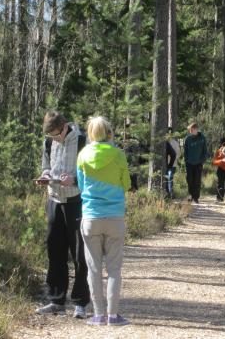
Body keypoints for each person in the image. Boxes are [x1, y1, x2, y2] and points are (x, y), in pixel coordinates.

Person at [35, 111, 90, 318]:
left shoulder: (83, 140)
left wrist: (74, 180)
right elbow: (46, 166)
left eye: (57, 134)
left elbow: (91, 172)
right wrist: (45, 175)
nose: (55, 139)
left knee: (79, 253)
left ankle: (80, 302)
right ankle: (56, 300)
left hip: (76, 201)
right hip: (54, 200)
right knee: (54, 250)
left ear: (65, 126)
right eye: (51, 136)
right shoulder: (49, 142)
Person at [77, 116, 131, 326]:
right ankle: (113, 316)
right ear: (109, 133)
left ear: (90, 133)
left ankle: (98, 315)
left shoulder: (83, 155)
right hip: (115, 216)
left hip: (91, 216)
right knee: (114, 269)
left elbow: (81, 186)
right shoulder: (118, 154)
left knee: (94, 269)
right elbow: (126, 183)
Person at [184, 123, 207, 203]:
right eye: (190, 130)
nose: (190, 131)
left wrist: (203, 159)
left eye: (192, 130)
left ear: (196, 129)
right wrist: (186, 161)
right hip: (189, 163)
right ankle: (190, 195)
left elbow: (205, 150)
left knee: (197, 180)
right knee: (189, 180)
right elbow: (185, 151)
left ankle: (196, 197)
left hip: (198, 163)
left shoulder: (202, 138)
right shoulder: (187, 139)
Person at [166, 127, 181, 199]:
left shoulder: (175, 143)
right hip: (165, 164)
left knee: (169, 177)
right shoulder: (163, 142)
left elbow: (178, 154)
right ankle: (167, 193)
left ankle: (171, 193)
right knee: (166, 178)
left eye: (169, 133)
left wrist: (173, 160)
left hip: (172, 164)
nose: (168, 135)